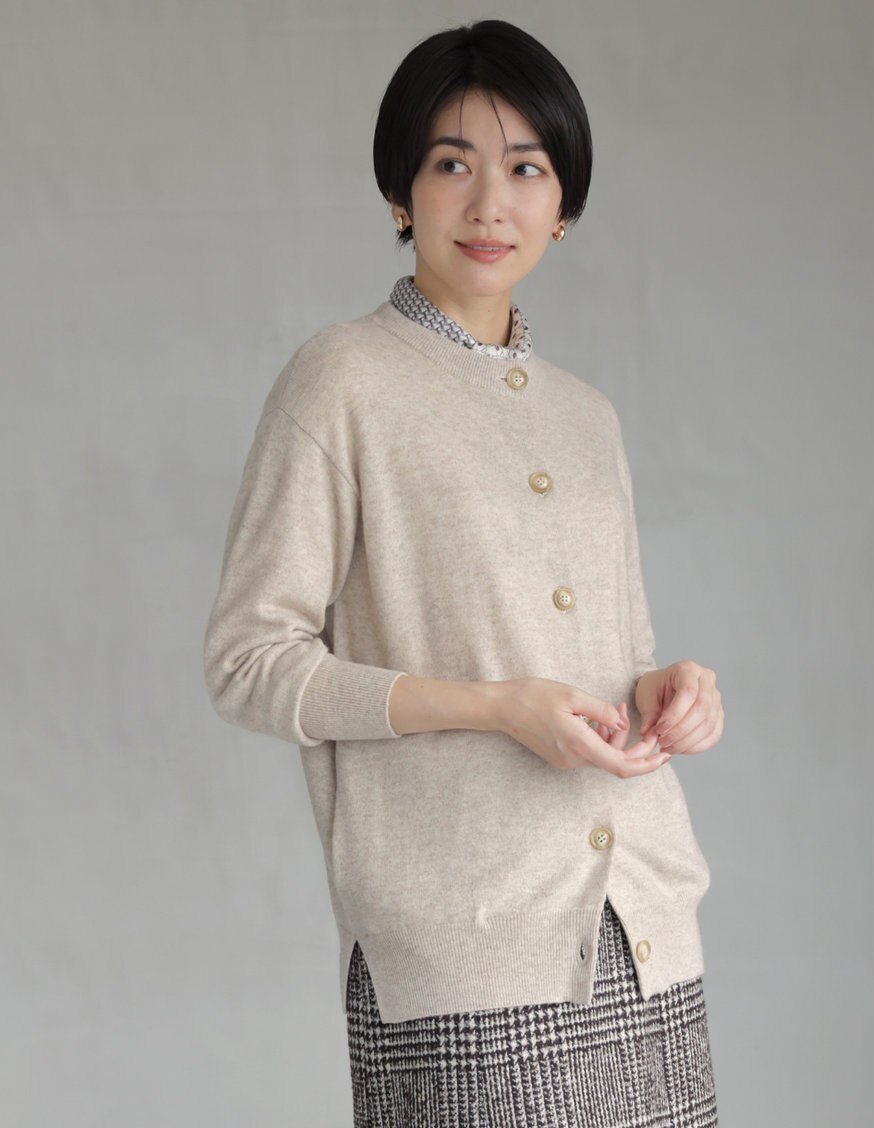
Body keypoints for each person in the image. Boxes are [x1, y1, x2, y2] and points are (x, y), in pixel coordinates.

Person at [203, 17, 724, 1128]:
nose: (490, 203)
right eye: (453, 164)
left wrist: (666, 691)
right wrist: (491, 708)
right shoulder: (339, 382)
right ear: (401, 192)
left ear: (563, 204)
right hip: (462, 945)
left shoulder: (588, 416)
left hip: (643, 932)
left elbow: (613, 658)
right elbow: (248, 663)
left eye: (526, 169)